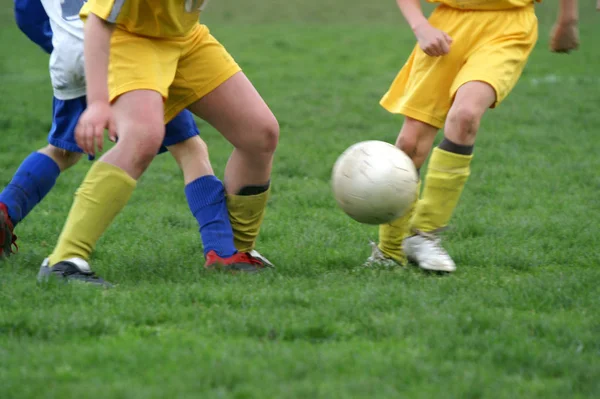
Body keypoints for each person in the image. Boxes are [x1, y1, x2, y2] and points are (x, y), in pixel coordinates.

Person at [37, 0, 278, 285]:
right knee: (142, 139)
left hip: (185, 38)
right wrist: (99, 103)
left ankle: (233, 254)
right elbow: (98, 21)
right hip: (131, 40)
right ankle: (64, 262)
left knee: (260, 133)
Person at [365, 0, 580, 272]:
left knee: (465, 115)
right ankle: (389, 251)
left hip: (509, 26)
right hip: (447, 26)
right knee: (410, 145)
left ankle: (424, 234)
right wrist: (421, 26)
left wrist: (567, 20)